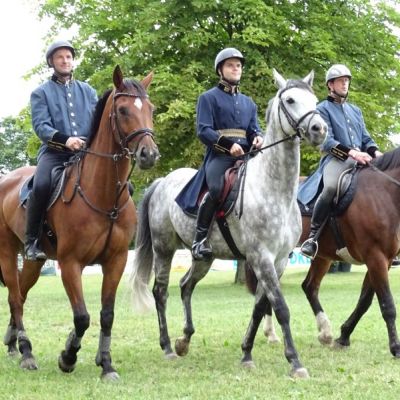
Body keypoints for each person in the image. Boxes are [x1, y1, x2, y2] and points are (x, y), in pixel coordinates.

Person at [175, 47, 263, 261]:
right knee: (216, 188)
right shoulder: (208, 98)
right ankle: (199, 240)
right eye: (230, 65)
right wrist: (227, 145)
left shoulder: (249, 102)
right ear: (220, 70)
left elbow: (254, 129)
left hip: (247, 156)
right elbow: (203, 130)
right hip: (220, 156)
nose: (236, 69)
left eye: (238, 65)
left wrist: (258, 137)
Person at [298, 64, 382, 259]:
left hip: (361, 159)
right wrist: (352, 153)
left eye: (346, 81)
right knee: (330, 188)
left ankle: (384, 239)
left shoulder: (355, 110)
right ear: (330, 85)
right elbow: (326, 141)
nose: (345, 84)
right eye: (340, 81)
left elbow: (366, 138)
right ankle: (313, 237)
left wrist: (376, 152)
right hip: (336, 160)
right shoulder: (321, 109)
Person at [25, 40, 98, 261]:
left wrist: (90, 142)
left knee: (122, 184)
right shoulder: (40, 93)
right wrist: (66, 140)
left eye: (68, 57)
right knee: (41, 185)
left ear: (73, 60)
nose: (65, 61)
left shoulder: (88, 91)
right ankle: (32, 241)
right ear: (51, 62)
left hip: (85, 153)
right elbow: (41, 126)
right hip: (54, 153)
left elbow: (98, 124)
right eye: (60, 57)